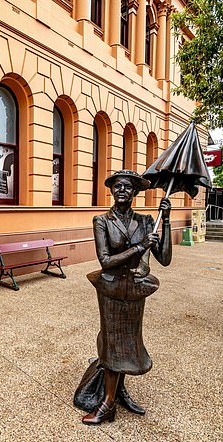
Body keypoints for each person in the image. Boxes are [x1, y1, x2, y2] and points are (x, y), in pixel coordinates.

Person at [74, 170, 172, 425]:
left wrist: (168, 222)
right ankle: (107, 404)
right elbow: (105, 261)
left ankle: (118, 392)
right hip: (111, 288)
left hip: (136, 290)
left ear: (135, 192)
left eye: (127, 187)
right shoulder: (102, 221)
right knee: (111, 341)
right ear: (112, 190)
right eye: (117, 186)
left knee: (129, 341)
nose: (121, 190)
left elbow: (165, 258)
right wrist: (139, 247)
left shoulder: (146, 221)